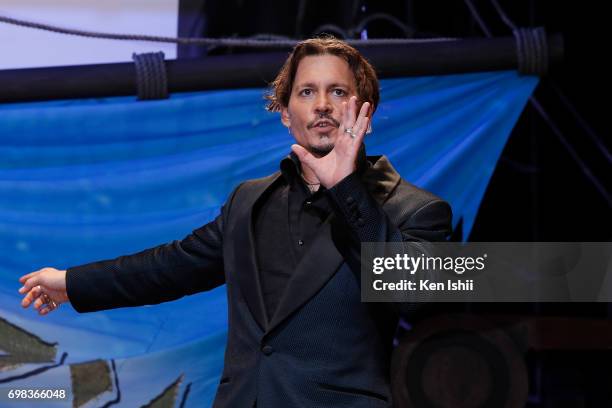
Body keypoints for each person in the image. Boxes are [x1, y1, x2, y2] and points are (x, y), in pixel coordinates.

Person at [18, 36, 452, 407]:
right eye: (306, 92)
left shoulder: (415, 208)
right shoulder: (249, 201)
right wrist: (71, 283)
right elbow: (169, 267)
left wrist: (347, 190)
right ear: (285, 114)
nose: (322, 105)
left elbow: (417, 295)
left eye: (338, 92)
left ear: (366, 114)